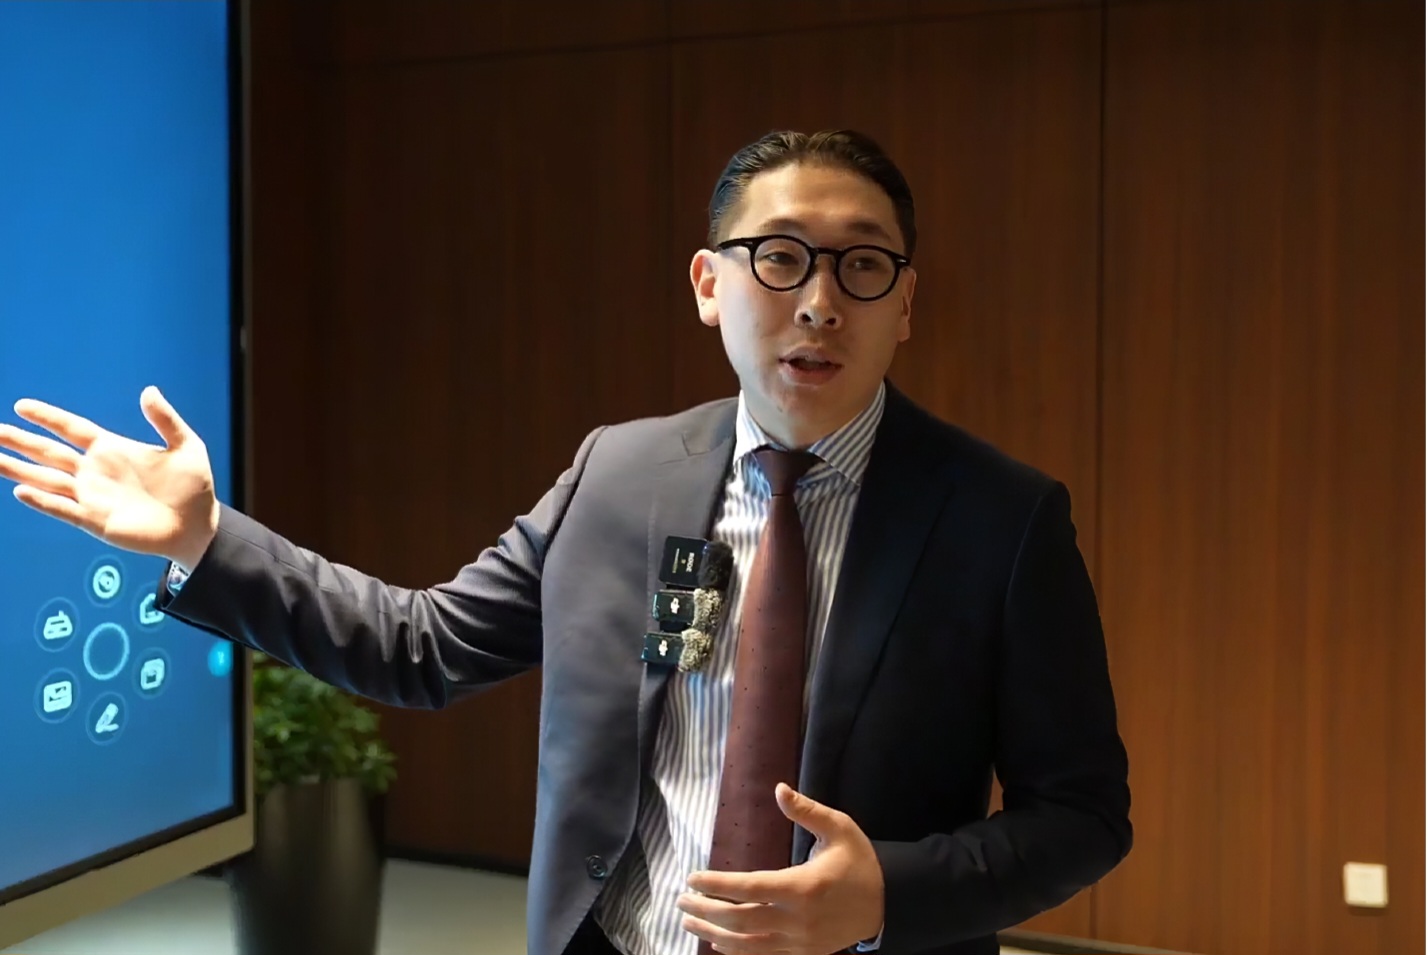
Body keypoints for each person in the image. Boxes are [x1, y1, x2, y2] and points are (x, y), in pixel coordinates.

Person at [0, 129, 1131, 955]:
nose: (820, 301)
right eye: (779, 257)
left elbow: (1081, 817)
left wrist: (888, 892)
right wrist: (208, 538)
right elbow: (422, 646)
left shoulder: (1001, 518)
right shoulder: (620, 474)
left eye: (861, 264)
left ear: (906, 303)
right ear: (710, 285)